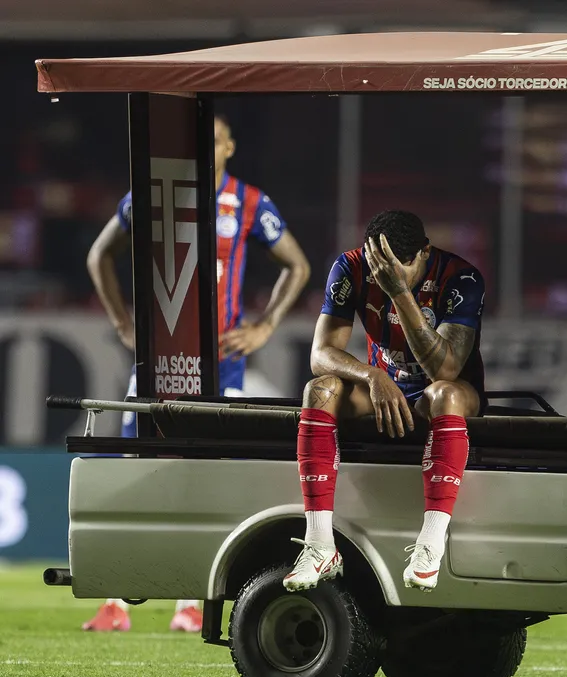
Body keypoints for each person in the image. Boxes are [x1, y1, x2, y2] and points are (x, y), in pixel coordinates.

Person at [82, 115, 311, 632]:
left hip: (221, 360)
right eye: (196, 144)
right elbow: (100, 254)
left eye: (212, 142)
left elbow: (297, 265)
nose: (204, 152)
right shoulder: (153, 197)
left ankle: (189, 600)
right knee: (132, 466)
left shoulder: (250, 202)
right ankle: (117, 600)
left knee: (202, 471)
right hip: (158, 359)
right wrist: (123, 322)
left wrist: (265, 325)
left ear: (230, 145)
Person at [283, 210, 485, 593]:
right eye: (378, 267)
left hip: (442, 396)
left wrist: (399, 293)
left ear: (423, 253)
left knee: (444, 393)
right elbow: (321, 353)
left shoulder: (462, 278)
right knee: (319, 390)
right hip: (384, 391)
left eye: (394, 269)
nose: (382, 274)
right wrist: (371, 375)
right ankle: (320, 544)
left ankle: (429, 545)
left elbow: (446, 368)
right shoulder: (350, 267)